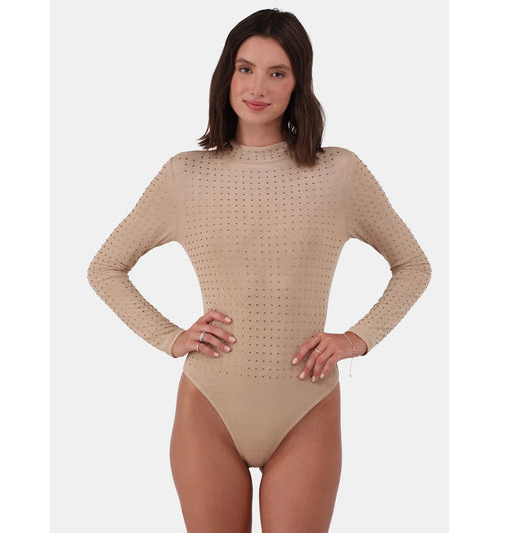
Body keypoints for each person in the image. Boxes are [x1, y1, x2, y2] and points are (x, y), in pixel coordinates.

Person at [87, 8, 432, 533]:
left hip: (306, 405)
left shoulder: (338, 172)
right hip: (210, 406)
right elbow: (106, 267)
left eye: (278, 73)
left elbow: (412, 265)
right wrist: (170, 337)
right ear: (226, 74)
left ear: (299, 83)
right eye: (245, 69)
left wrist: (357, 339)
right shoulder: (185, 175)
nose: (257, 87)